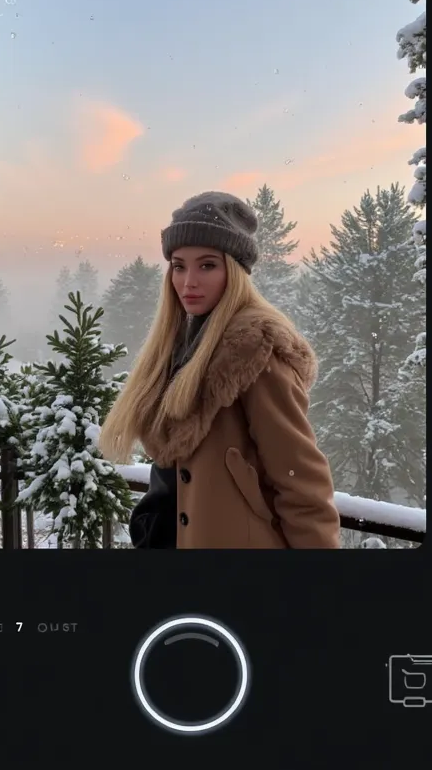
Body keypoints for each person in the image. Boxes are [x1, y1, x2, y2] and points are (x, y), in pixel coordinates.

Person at [99, 191, 341, 549]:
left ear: (235, 270)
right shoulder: (180, 346)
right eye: (179, 266)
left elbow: (301, 483)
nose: (188, 281)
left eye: (207, 265)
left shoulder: (255, 351)